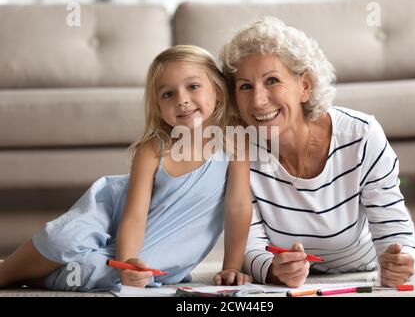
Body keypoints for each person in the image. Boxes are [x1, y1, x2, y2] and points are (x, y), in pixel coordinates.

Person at [0, 45, 252, 292]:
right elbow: (134, 215)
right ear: (158, 107)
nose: (182, 100)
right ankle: (8, 270)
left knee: (90, 270)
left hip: (161, 249)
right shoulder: (153, 150)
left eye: (193, 87)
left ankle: (34, 278)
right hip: (113, 217)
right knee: (63, 239)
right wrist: (127, 260)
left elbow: (238, 206)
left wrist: (231, 265)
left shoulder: (233, 144)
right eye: (168, 94)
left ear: (218, 91)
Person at [219, 17, 415, 288]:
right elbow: (248, 244)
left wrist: (402, 260)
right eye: (245, 86)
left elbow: (394, 229)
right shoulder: (238, 149)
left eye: (272, 81)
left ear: (305, 86)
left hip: (362, 267)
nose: (258, 100)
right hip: (289, 280)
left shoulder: (361, 135)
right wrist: (274, 270)